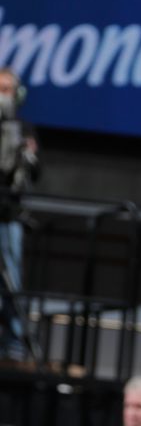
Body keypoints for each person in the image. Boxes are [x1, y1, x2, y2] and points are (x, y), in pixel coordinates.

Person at [0, 68, 39, 362]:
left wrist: (29, 155)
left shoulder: (24, 128)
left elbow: (33, 175)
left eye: (7, 90)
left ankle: (13, 344)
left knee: (11, 279)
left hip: (9, 214)